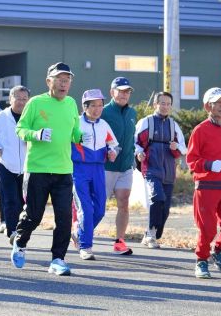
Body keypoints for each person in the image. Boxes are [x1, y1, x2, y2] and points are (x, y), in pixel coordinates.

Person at [10, 62, 84, 276]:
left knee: (64, 218)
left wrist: (80, 137)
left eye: (67, 79)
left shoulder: (71, 103)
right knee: (34, 215)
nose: (64, 83)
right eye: (59, 79)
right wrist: (37, 134)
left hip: (63, 170)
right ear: (48, 81)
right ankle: (20, 242)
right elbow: (20, 129)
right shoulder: (35, 103)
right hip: (38, 169)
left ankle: (58, 259)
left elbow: (74, 132)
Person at [186, 87, 221, 279]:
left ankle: (218, 251)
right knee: (207, 229)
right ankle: (201, 261)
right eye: (218, 102)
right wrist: (209, 164)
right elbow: (191, 161)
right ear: (207, 106)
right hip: (206, 187)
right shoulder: (200, 130)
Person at [134, 92, 187, 249]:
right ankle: (151, 234)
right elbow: (135, 142)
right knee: (157, 198)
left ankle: (153, 233)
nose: (165, 106)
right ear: (155, 105)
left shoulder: (173, 125)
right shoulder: (146, 122)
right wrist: (139, 152)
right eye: (162, 103)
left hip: (169, 171)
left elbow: (183, 149)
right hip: (151, 168)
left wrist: (175, 147)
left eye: (168, 104)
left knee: (165, 209)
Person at [71, 89, 119, 261]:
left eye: (100, 105)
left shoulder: (104, 124)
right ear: (85, 107)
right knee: (86, 208)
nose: (98, 109)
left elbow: (113, 144)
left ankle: (79, 232)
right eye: (94, 105)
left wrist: (112, 152)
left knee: (99, 210)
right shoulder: (74, 122)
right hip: (78, 169)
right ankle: (85, 247)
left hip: (99, 169)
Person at [0, 86, 29, 240]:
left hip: (28, 166)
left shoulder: (32, 117)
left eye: (25, 99)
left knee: (27, 203)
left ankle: (21, 228)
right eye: (18, 98)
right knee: (11, 199)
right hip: (6, 164)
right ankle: (12, 232)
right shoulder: (1, 117)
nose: (21, 102)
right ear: (10, 99)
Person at [101, 77, 137, 255]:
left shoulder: (132, 113)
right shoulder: (103, 111)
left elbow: (131, 138)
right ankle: (81, 234)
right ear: (112, 92)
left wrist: (133, 159)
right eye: (120, 90)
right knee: (98, 205)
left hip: (125, 167)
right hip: (106, 166)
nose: (124, 94)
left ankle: (119, 242)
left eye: (127, 91)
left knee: (124, 202)